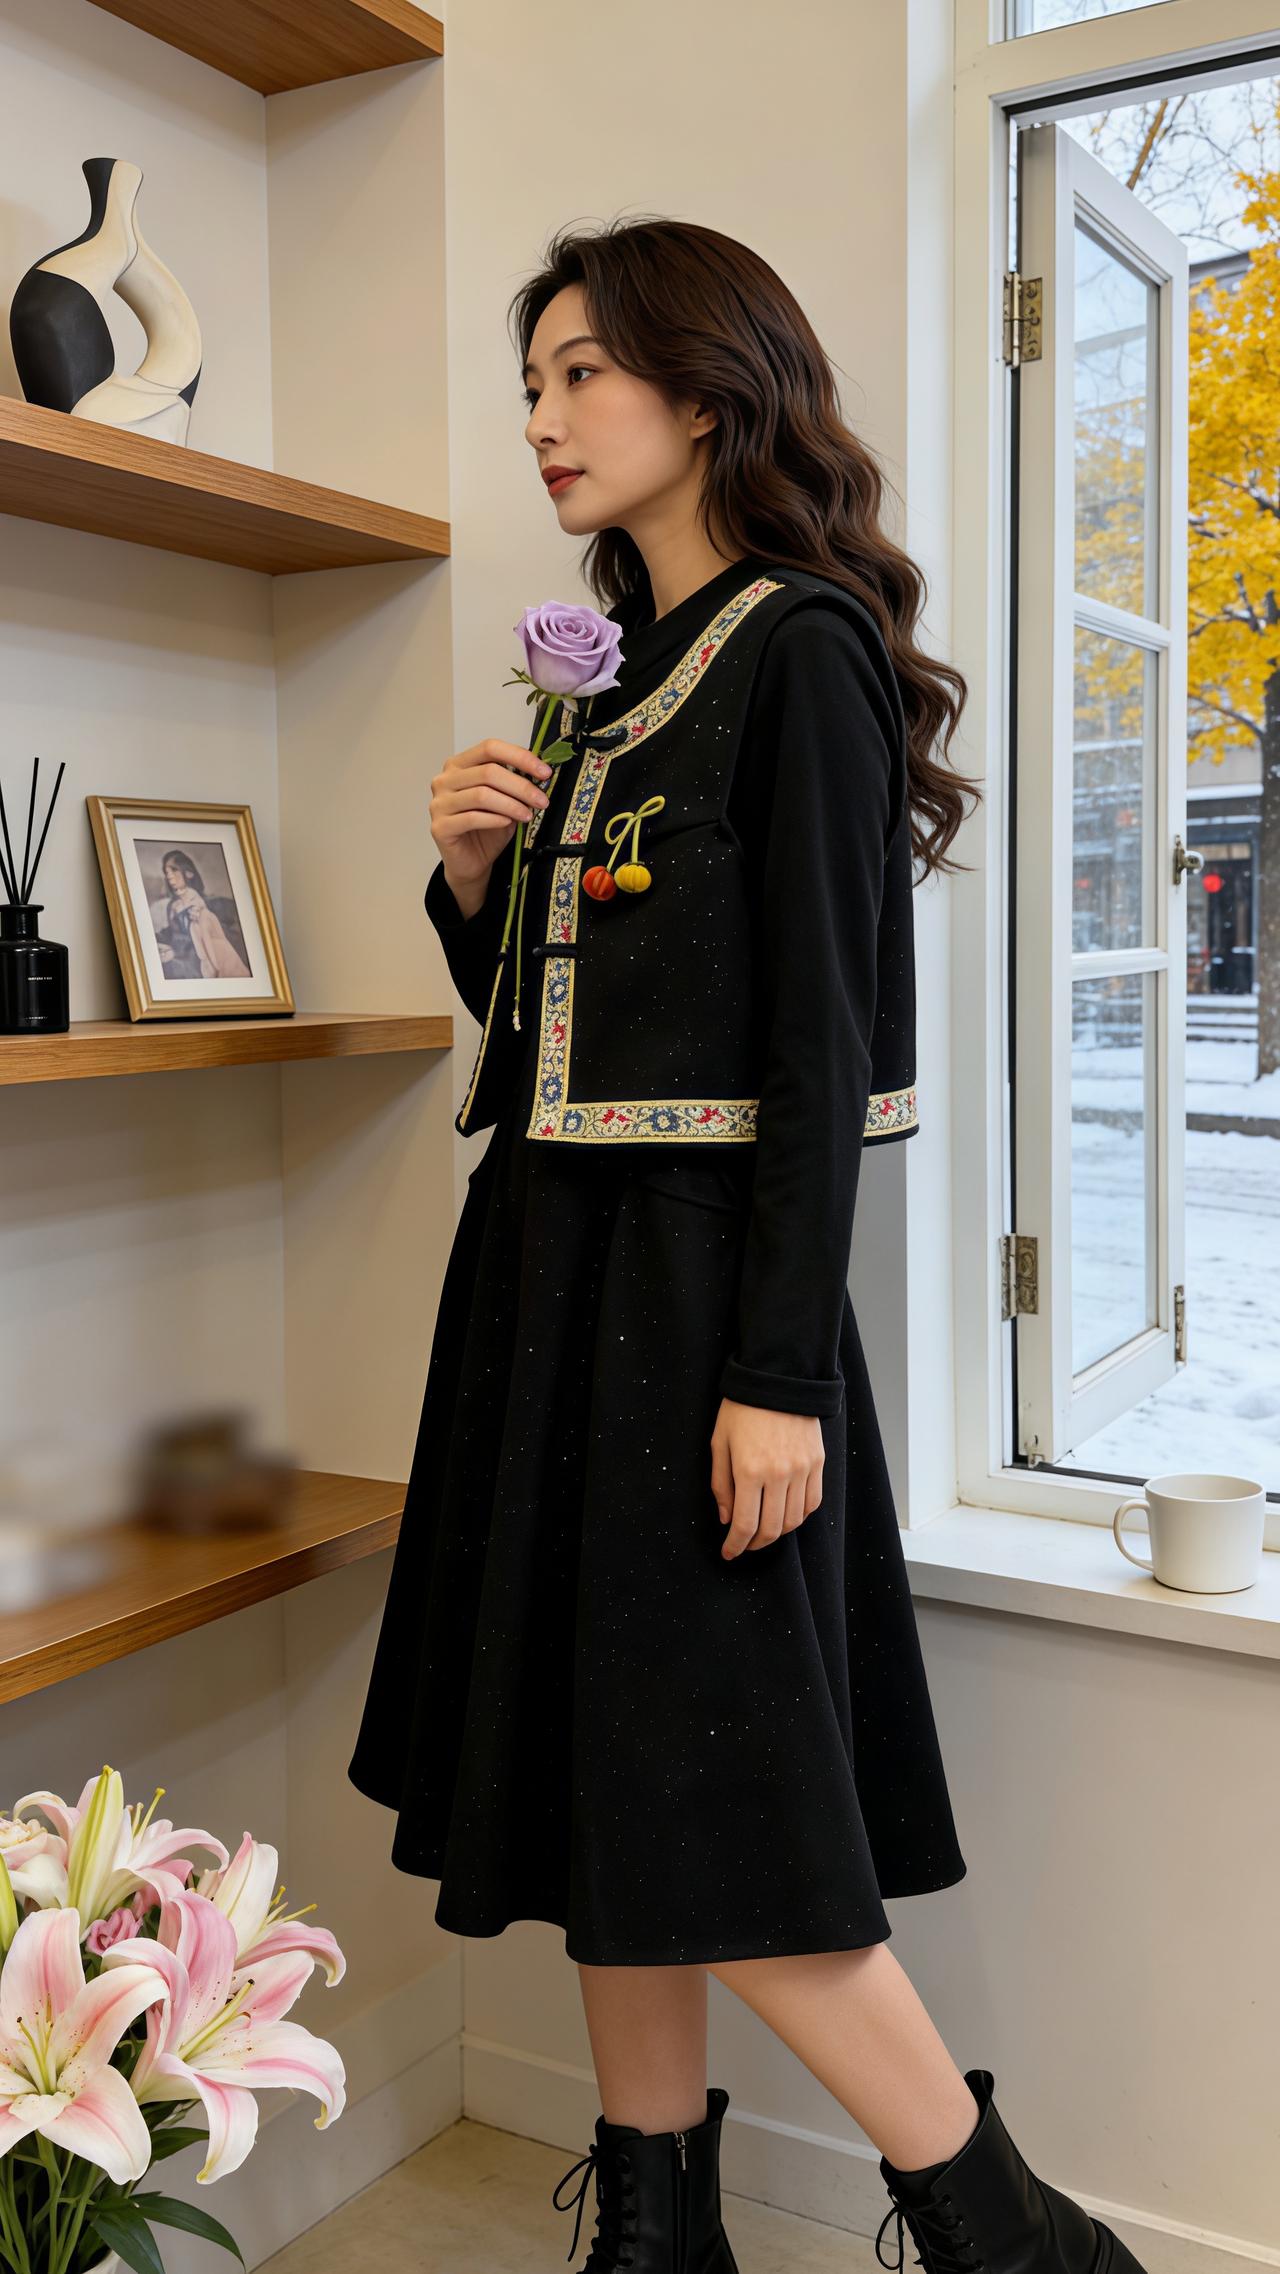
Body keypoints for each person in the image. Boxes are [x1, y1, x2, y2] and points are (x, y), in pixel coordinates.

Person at [347, 217, 1145, 2274]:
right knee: (617, 1778)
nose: (541, 419)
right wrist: (473, 882)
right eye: (530, 382)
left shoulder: (799, 651)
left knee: (728, 1796)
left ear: (707, 392)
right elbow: (560, 1033)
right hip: (544, 1275)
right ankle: (657, 2232)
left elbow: (819, 1056)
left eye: (579, 374)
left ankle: (1016, 2241)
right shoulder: (607, 681)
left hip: (698, 1294)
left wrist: (777, 1373)